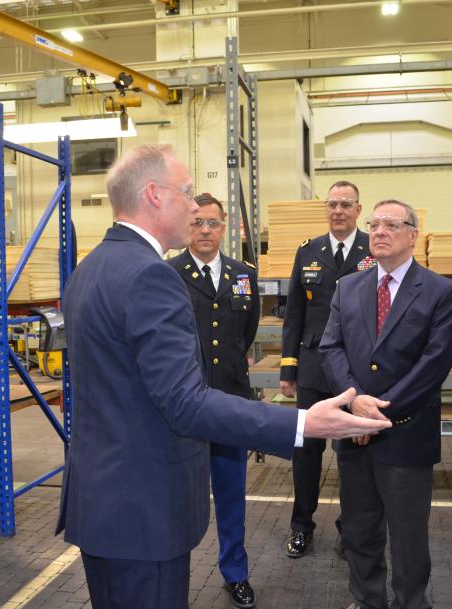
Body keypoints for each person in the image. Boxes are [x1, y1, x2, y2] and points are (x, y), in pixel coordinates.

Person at [55, 144, 391, 609]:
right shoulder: (152, 276)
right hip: (144, 510)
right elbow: (185, 403)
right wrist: (303, 424)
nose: (195, 207)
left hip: (102, 501)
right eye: (187, 192)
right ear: (154, 194)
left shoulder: (89, 269)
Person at [320, 199, 452, 609]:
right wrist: (354, 401)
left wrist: (378, 411)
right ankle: (366, 600)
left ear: (413, 235)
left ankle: (410, 601)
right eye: (375, 224)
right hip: (354, 433)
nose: (379, 231)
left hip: (405, 431)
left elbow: (435, 363)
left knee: (408, 533)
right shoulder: (348, 287)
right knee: (360, 530)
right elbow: (331, 347)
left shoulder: (439, 291)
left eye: (391, 225)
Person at [167, 193, 260, 609]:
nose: (205, 230)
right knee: (178, 500)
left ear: (226, 228)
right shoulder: (169, 273)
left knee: (231, 496)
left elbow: (248, 330)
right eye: (197, 222)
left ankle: (235, 573)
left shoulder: (243, 275)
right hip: (184, 405)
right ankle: (172, 580)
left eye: (213, 223)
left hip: (229, 401)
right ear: (187, 227)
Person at [280, 180, 372, 558]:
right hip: (315, 369)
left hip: (357, 371)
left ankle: (350, 531)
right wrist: (289, 368)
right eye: (332, 204)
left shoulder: (374, 249)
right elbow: (294, 315)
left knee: (352, 454)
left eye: (345, 204)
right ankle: (302, 525)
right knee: (307, 452)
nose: (338, 211)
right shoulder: (309, 251)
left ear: (357, 210)